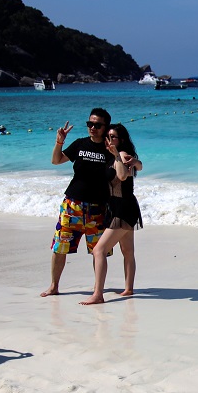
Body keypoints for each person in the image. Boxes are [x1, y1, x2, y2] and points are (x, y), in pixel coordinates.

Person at [40, 108, 118, 297]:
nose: (92, 128)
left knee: (98, 252)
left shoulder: (110, 149)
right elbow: (56, 160)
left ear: (105, 127)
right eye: (90, 124)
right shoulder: (79, 144)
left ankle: (97, 288)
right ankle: (54, 286)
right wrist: (60, 141)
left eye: (97, 125)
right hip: (72, 206)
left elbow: (123, 175)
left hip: (98, 209)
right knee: (60, 247)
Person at [79, 123, 143, 304]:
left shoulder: (121, 155)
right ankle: (129, 288)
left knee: (99, 250)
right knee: (127, 251)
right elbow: (138, 166)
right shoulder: (113, 156)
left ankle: (98, 294)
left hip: (123, 208)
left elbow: (122, 176)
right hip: (121, 206)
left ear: (121, 140)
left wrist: (118, 156)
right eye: (108, 136)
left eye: (113, 136)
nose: (109, 139)